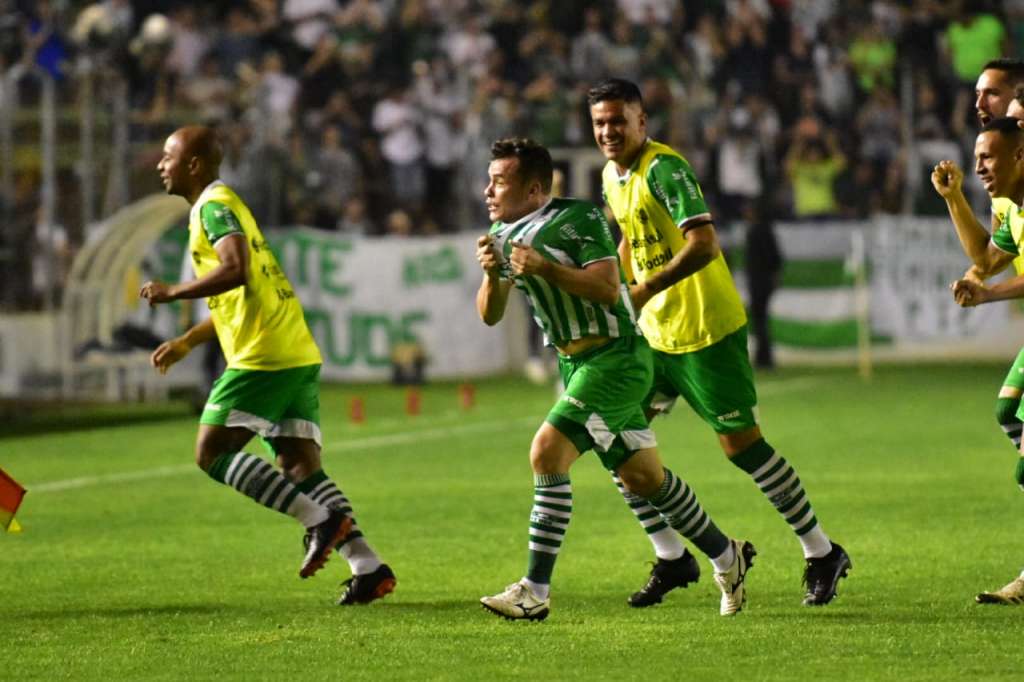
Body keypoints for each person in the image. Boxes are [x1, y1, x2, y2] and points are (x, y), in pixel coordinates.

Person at [587, 78, 850, 608]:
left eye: (618, 120)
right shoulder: (611, 176)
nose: (608, 131)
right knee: (609, 437)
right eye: (599, 123)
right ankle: (671, 556)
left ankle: (821, 551)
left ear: (642, 121)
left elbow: (704, 243)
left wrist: (643, 290)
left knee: (743, 449)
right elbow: (632, 235)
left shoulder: (665, 169)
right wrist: (616, 285)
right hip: (654, 335)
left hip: (707, 330)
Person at [475, 137, 754, 621]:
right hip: (575, 364)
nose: (488, 191)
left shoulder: (577, 219)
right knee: (642, 478)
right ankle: (727, 555)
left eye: (499, 181)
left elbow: (608, 288)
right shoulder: (500, 233)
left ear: (534, 189)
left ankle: (534, 591)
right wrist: (490, 275)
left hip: (617, 357)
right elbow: (490, 315)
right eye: (490, 180)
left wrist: (545, 267)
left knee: (546, 452)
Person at [140, 125, 395, 605]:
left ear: (194, 164)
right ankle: (367, 566)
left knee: (212, 452)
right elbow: (241, 292)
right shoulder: (227, 206)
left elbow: (234, 269)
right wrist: (189, 341)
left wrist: (173, 291)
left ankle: (319, 520)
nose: (160, 164)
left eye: (168, 156)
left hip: (264, 355)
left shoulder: (213, 207)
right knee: (300, 466)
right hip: (292, 349)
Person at [934, 115, 1024, 606]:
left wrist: (987, 294)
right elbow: (987, 259)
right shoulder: (1011, 206)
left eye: (987, 157)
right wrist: (954, 198)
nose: (979, 167)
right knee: (1008, 412)